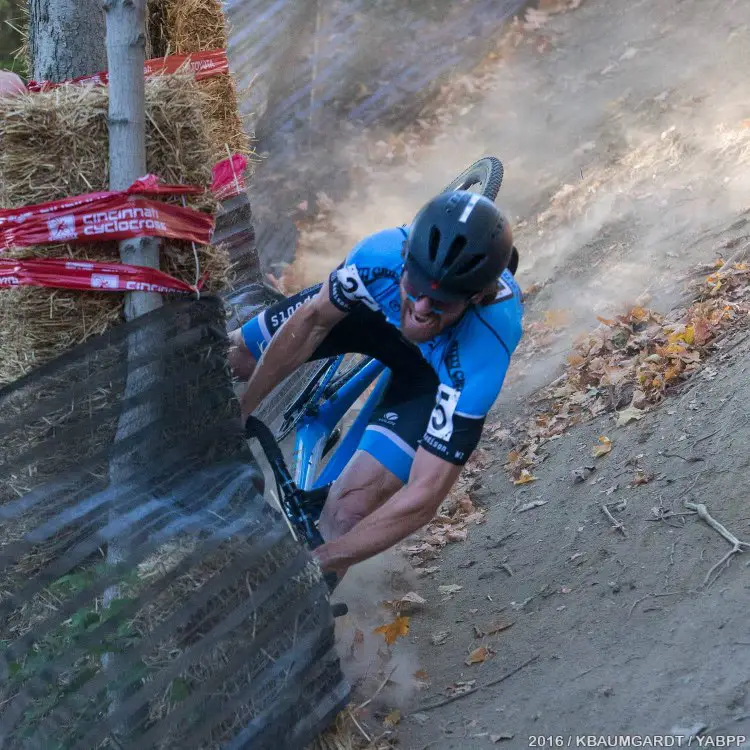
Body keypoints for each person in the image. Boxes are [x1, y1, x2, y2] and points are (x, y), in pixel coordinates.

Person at [229, 190, 524, 576]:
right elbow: (314, 321)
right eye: (416, 289)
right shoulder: (379, 255)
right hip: (370, 316)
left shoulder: (485, 344)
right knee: (235, 355)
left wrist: (320, 563)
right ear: (404, 261)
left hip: (430, 377)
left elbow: (424, 495)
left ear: (479, 297)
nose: (421, 310)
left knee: (345, 512)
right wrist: (239, 413)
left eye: (442, 302)